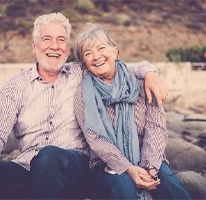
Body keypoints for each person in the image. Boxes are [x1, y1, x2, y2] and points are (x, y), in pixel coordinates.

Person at [0, 13, 167, 199]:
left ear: (67, 48)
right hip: (27, 167)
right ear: (34, 46)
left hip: (74, 168)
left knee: (50, 155)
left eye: (61, 40)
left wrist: (150, 72)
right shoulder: (16, 85)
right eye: (47, 39)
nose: (54, 46)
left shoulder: (81, 73)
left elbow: (114, 64)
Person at [74, 23, 191, 199]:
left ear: (115, 51)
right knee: (124, 190)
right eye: (88, 53)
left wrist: (150, 166)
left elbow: (156, 128)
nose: (96, 56)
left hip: (149, 158)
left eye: (101, 48)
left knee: (173, 191)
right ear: (85, 63)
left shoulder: (142, 81)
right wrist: (128, 169)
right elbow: (95, 140)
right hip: (106, 165)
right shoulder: (83, 94)